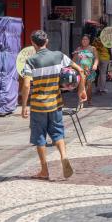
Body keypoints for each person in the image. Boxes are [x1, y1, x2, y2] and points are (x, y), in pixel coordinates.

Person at [20, 30, 87, 180]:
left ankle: (44, 171)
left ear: (32, 43)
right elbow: (81, 70)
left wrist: (24, 106)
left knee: (40, 138)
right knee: (58, 133)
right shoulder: (59, 56)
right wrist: (81, 91)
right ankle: (63, 156)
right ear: (47, 41)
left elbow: (26, 85)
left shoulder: (30, 61)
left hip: (38, 106)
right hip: (56, 103)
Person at [72, 35, 98, 102]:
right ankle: (81, 101)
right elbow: (73, 60)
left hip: (90, 70)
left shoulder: (93, 48)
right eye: (83, 39)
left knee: (89, 86)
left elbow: (96, 58)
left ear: (89, 41)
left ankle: (89, 99)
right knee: (82, 86)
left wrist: (95, 65)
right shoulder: (78, 49)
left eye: (86, 39)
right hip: (81, 70)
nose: (84, 41)